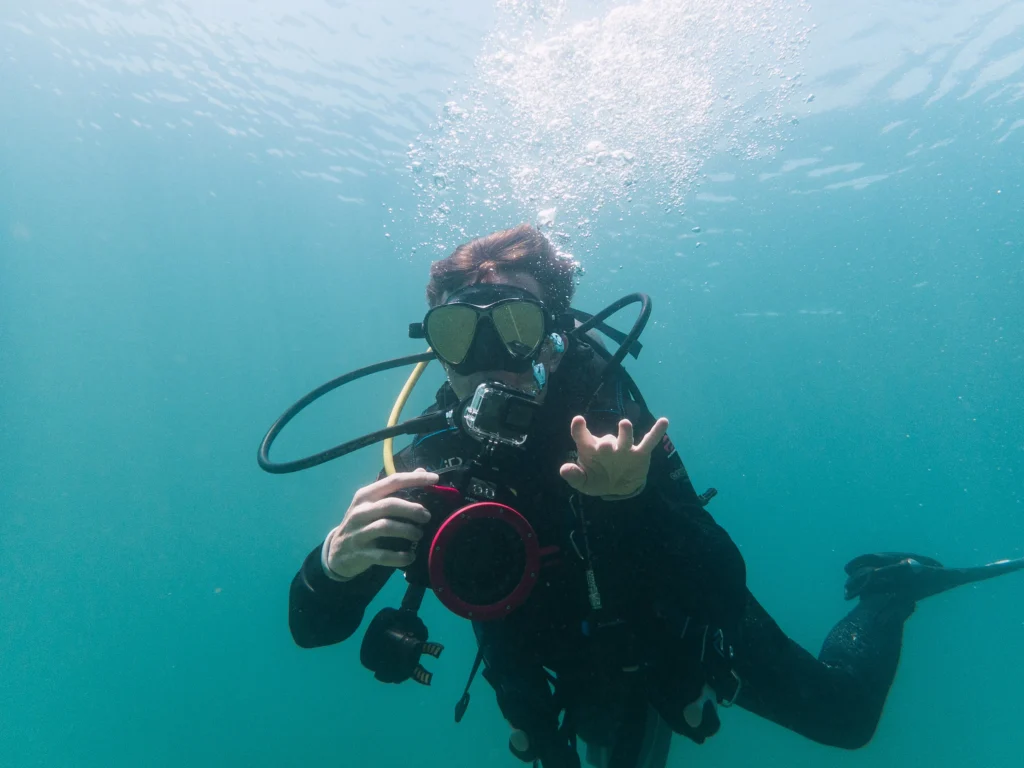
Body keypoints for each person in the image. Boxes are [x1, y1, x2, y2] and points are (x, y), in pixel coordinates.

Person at [287, 225, 1022, 768]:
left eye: (515, 327)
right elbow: (311, 628)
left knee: (848, 720)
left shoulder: (610, 427)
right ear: (434, 348)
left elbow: (722, 581)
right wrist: (331, 565)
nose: (489, 363)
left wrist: (630, 498)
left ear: (554, 339)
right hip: (543, 671)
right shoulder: (426, 468)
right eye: (457, 333)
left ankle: (888, 595)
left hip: (677, 635)